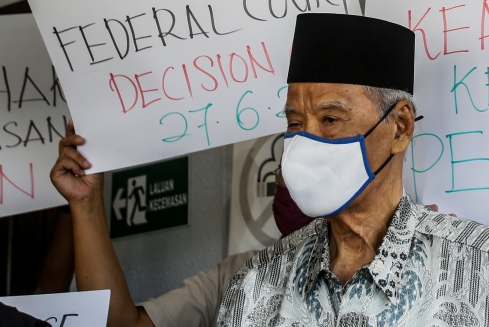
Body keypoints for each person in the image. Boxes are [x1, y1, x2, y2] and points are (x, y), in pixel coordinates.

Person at [218, 13, 489, 325]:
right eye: (295, 123)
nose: (305, 143)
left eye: (330, 120)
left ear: (400, 127)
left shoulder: (484, 269)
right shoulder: (255, 285)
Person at [50, 122, 312, 327]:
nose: (291, 182)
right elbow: (119, 325)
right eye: (284, 169)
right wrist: (85, 202)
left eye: (309, 173)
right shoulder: (244, 275)